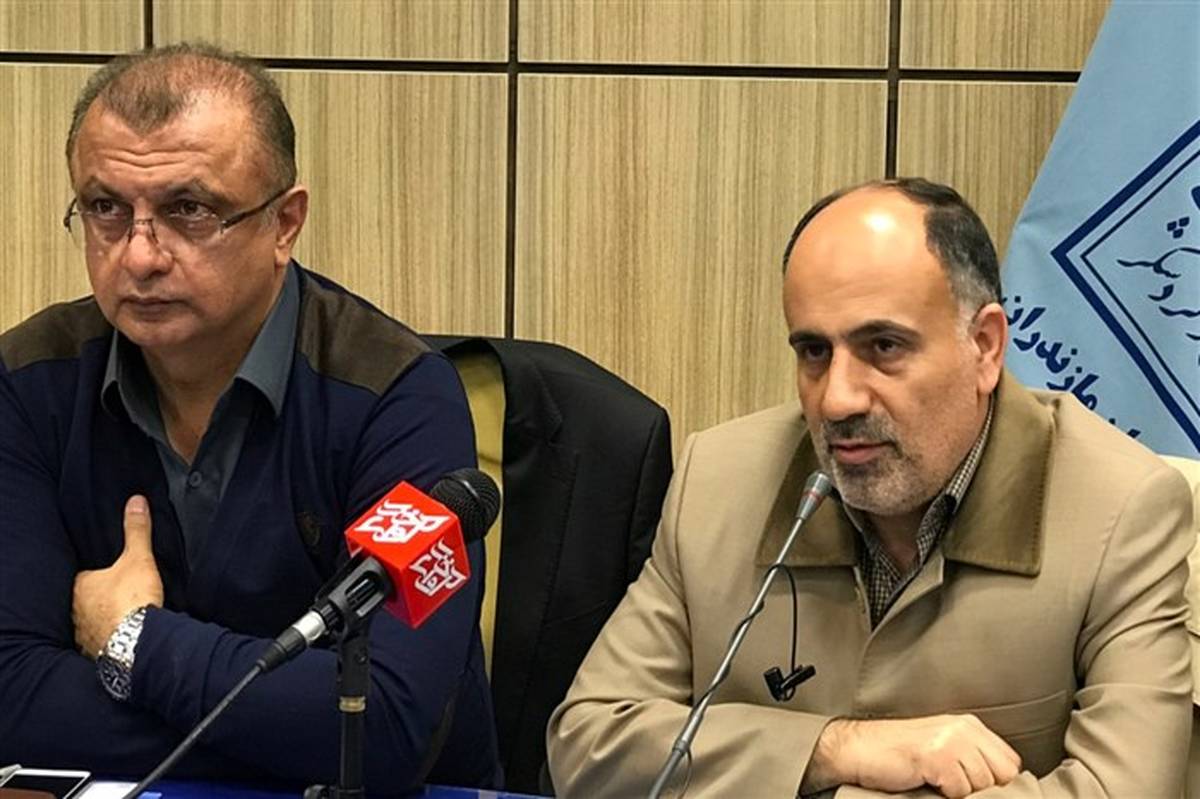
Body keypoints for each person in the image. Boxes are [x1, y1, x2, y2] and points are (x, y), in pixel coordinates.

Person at [547, 178, 1194, 797]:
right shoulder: (718, 479)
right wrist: (838, 748)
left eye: (883, 346)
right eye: (814, 351)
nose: (837, 399)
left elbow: (1131, 790)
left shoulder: (1120, 510)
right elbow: (588, 745)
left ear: (985, 346)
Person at [0, 43, 500, 792]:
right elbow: (12, 699)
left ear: (284, 224)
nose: (139, 256)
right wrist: (283, 734)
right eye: (106, 209)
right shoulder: (29, 380)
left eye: (189, 210)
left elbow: (384, 729)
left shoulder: (400, 400)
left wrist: (135, 641)